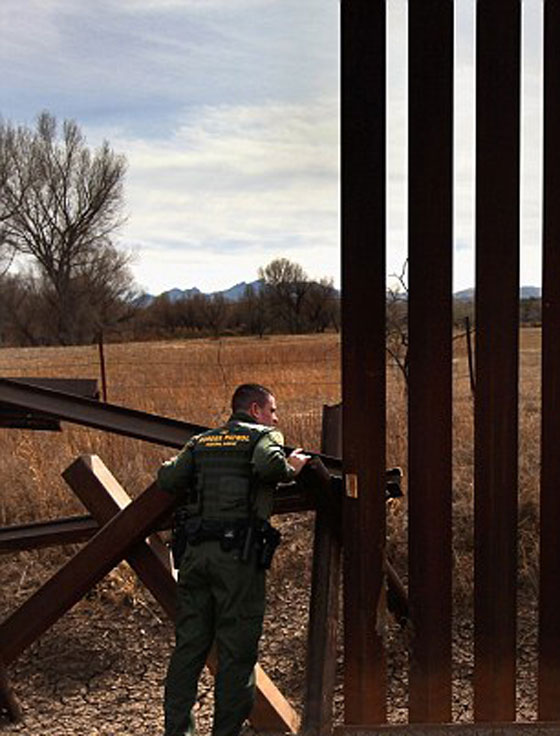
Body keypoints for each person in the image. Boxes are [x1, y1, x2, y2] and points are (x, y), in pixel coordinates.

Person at [158, 383, 309, 736]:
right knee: (237, 652)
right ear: (255, 410)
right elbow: (268, 466)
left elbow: (168, 477)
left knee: (189, 647)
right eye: (272, 410)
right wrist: (292, 467)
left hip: (195, 556)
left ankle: (178, 731)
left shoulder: (201, 441)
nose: (276, 418)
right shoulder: (263, 436)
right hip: (237, 560)